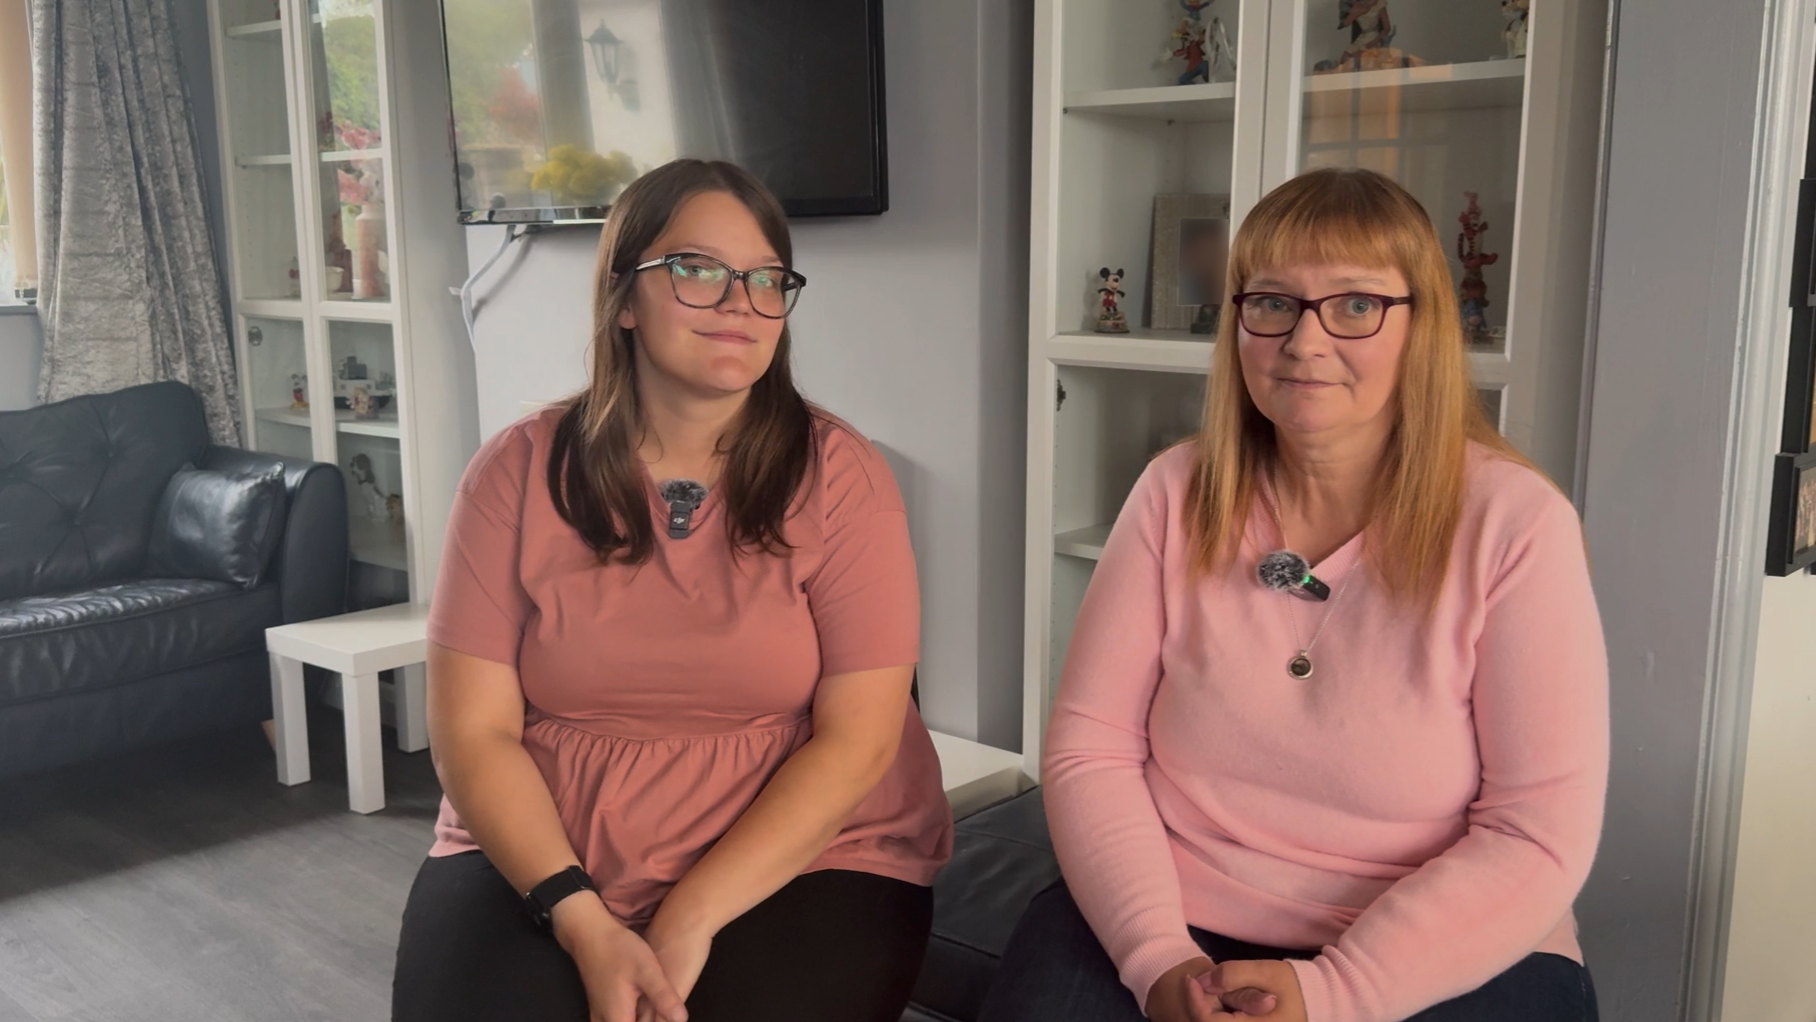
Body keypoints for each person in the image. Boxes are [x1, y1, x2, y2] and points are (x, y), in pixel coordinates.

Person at [980, 167, 1608, 1022]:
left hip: (1436, 941)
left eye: (1355, 305)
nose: (1304, 342)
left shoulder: (1518, 524)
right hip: (1172, 910)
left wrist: (1335, 992)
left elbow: (1536, 833)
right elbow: (1092, 748)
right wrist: (1159, 959)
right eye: (1272, 302)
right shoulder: (1174, 490)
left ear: (1421, 326)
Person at [392, 159, 953, 1022]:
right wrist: (580, 918)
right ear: (623, 299)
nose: (740, 302)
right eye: (696, 270)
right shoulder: (512, 472)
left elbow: (861, 738)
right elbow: (471, 732)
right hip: (549, 835)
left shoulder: (844, 475)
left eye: (767, 279)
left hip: (808, 847)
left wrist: (688, 918)